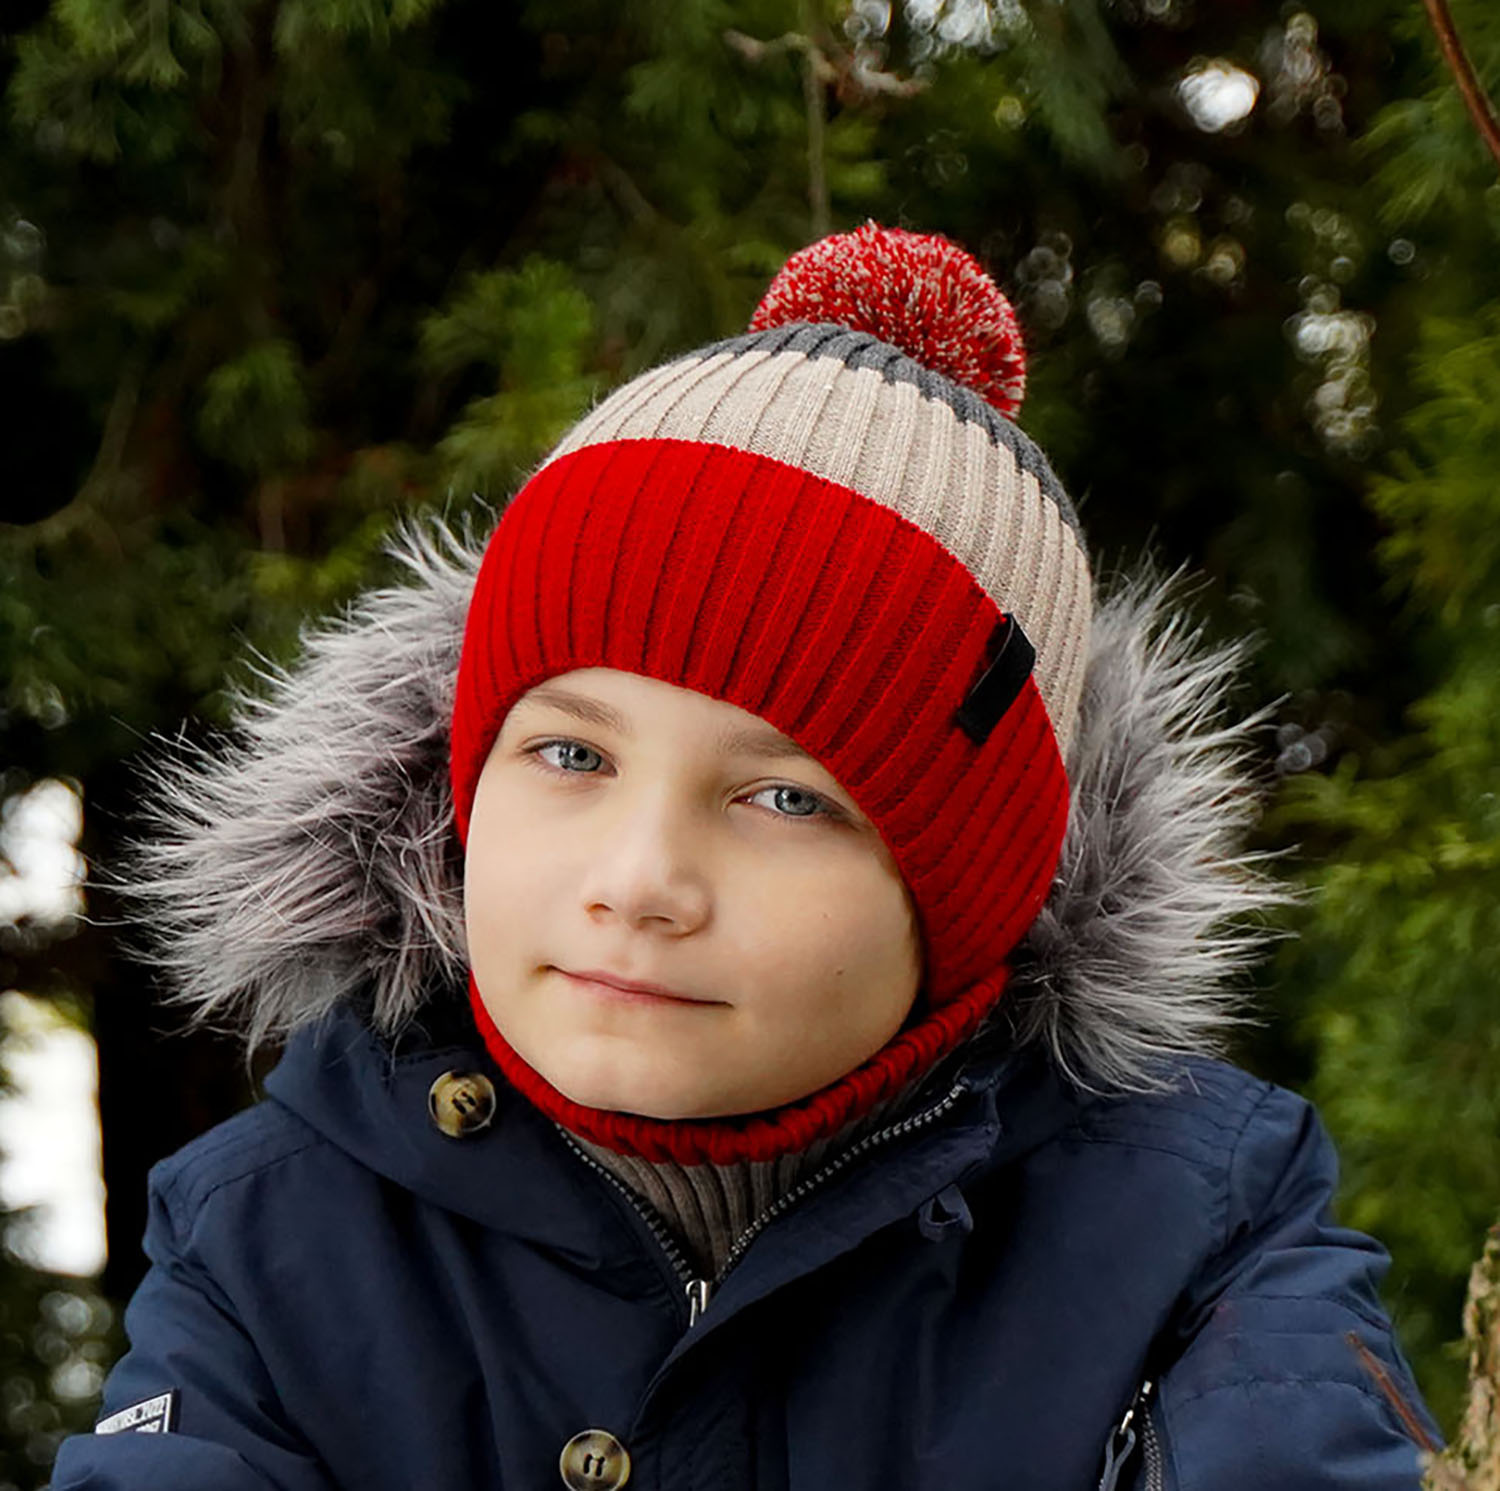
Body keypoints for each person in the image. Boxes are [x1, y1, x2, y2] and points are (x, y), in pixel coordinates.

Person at [52, 223, 1439, 1490]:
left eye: (785, 799)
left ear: (966, 889)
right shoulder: (273, 1238)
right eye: (574, 755)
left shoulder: (1189, 1231)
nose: (640, 880)